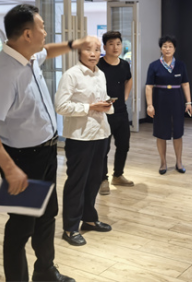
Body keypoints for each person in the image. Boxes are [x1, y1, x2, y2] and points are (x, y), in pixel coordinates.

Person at [0, 4, 94, 282]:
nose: (46, 31)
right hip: (22, 160)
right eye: (42, 27)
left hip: (46, 152)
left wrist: (74, 44)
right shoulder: (4, 74)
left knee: (47, 214)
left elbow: (47, 51)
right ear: (27, 34)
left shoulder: (28, 57)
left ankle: (45, 271)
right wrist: (10, 169)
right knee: (21, 226)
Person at [56, 38, 113, 246]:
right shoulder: (71, 75)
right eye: (89, 49)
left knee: (94, 179)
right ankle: (70, 228)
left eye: (97, 50)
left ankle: (89, 218)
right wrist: (89, 108)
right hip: (80, 137)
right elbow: (61, 106)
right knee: (76, 182)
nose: (94, 53)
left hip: (101, 134)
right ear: (80, 52)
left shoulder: (101, 74)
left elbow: (103, 98)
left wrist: (107, 105)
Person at [145, 35, 192, 175]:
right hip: (160, 101)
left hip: (177, 100)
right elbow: (149, 87)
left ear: (174, 49)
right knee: (161, 133)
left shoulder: (181, 65)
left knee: (178, 133)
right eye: (165, 46)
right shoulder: (154, 65)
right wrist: (149, 105)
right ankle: (163, 163)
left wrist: (189, 102)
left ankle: (179, 162)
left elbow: (185, 84)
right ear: (161, 48)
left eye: (170, 46)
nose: (167, 49)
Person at [97, 31, 134, 195]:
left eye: (118, 44)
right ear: (104, 47)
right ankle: (102, 179)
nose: (115, 47)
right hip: (103, 113)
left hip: (121, 112)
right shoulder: (98, 65)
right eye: (111, 44)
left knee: (124, 145)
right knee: (103, 148)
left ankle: (118, 175)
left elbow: (129, 79)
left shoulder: (125, 65)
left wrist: (125, 96)